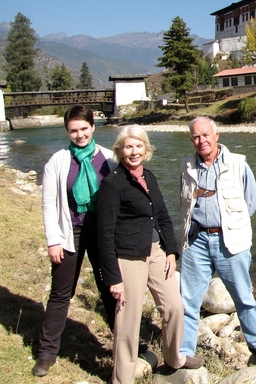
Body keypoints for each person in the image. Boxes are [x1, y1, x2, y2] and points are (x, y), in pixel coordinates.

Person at [97, 125, 203, 383]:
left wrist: (171, 253)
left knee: (175, 307)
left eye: (139, 146)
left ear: (146, 149)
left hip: (157, 252)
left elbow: (163, 217)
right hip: (128, 256)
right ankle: (122, 378)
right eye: (129, 146)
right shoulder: (113, 184)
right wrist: (113, 278)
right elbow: (104, 233)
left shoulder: (150, 177)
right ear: (120, 150)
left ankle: (173, 358)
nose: (134, 152)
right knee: (128, 321)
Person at [179, 116, 256, 369]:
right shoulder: (186, 166)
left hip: (230, 241)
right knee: (187, 300)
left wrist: (233, 225)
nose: (201, 141)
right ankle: (184, 351)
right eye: (196, 137)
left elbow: (251, 201)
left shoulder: (238, 164)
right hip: (196, 241)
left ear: (216, 135)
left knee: (243, 296)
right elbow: (184, 204)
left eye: (205, 135)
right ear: (192, 140)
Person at [33, 105, 118, 377]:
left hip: (102, 233)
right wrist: (52, 240)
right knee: (61, 292)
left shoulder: (108, 158)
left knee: (111, 289)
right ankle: (47, 353)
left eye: (84, 129)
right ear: (67, 132)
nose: (79, 135)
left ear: (93, 127)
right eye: (73, 130)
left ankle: (127, 344)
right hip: (71, 231)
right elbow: (48, 204)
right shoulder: (58, 161)